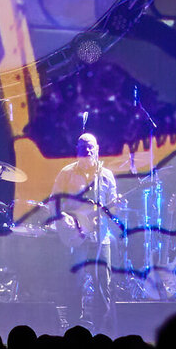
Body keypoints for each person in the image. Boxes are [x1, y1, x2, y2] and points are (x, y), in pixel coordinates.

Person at [51, 133, 120, 330]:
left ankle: (102, 329)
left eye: (91, 147)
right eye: (83, 148)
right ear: (77, 150)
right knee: (76, 283)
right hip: (77, 235)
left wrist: (116, 207)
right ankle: (74, 328)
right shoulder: (67, 173)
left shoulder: (106, 176)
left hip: (101, 237)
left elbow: (112, 210)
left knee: (103, 284)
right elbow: (54, 202)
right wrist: (63, 217)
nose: (87, 151)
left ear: (97, 149)